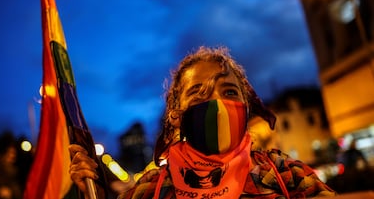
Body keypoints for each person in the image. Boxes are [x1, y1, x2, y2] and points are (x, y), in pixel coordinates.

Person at [69, 46, 336, 199]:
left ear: (247, 107)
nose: (217, 104)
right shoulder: (154, 189)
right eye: (198, 93)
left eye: (230, 92)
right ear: (176, 114)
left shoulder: (287, 175)